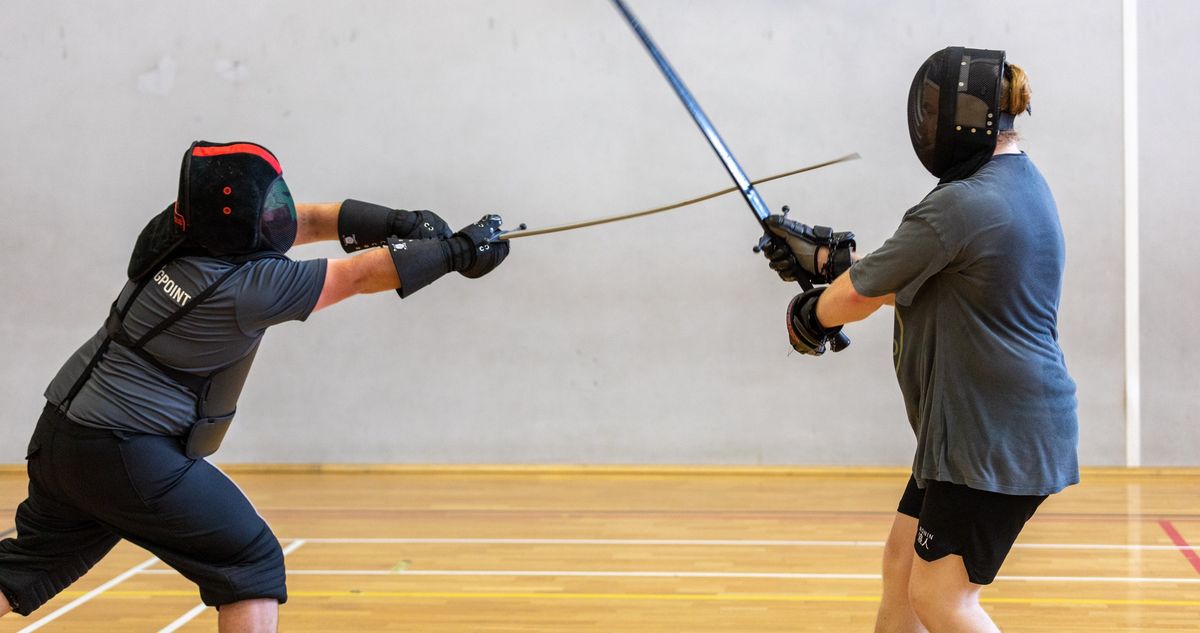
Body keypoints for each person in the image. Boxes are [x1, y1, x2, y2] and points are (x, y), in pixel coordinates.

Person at [0, 140, 510, 631]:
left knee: (25, 567)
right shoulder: (247, 289)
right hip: (126, 451)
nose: (280, 209)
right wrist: (458, 251)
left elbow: (298, 221)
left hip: (63, 434)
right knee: (250, 563)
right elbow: (358, 275)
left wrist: (396, 222)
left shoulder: (171, 233)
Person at [761, 48, 1078, 632]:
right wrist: (834, 264)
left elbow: (857, 296)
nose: (927, 124)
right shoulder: (1016, 183)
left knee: (941, 599)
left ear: (965, 119)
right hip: (973, 434)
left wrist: (812, 314)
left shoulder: (962, 203)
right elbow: (916, 270)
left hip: (990, 441)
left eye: (936, 111)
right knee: (902, 569)